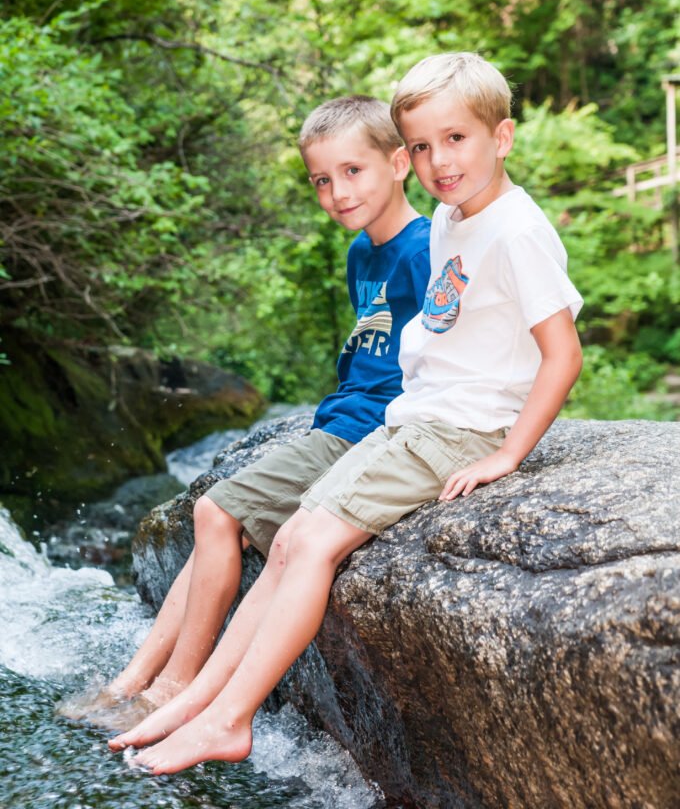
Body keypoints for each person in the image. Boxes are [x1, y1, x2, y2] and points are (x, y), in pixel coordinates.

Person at [110, 52, 583, 773]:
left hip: (457, 429)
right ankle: (198, 700)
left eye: (455, 139)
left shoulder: (515, 229)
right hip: (415, 420)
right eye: (422, 146)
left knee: (311, 545)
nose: (438, 161)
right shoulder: (454, 218)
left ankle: (229, 717)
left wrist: (507, 454)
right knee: (292, 537)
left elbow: (563, 354)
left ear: (503, 136)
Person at [67, 95, 429, 726]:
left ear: (399, 163)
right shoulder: (360, 253)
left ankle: (173, 688)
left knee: (214, 510)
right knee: (219, 526)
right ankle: (135, 676)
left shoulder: (424, 248)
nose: (338, 192)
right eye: (322, 180)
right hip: (339, 420)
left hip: (368, 433)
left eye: (353, 171)